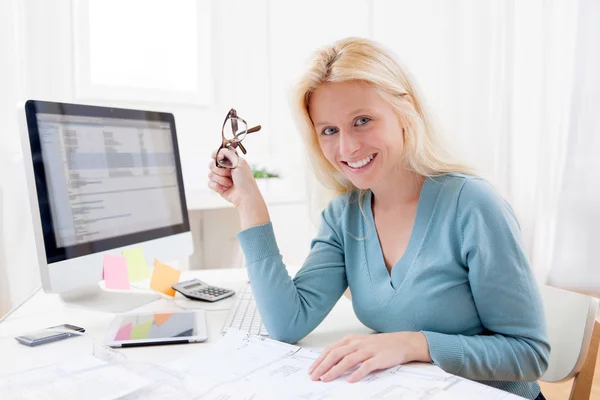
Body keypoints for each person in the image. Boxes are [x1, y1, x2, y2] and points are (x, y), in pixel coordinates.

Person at [207, 37, 550, 400]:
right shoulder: (344, 216)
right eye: (329, 130)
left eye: (363, 121)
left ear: (405, 111)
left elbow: (529, 354)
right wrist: (249, 203)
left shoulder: (473, 206)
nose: (347, 147)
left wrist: (414, 345)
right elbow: (286, 322)